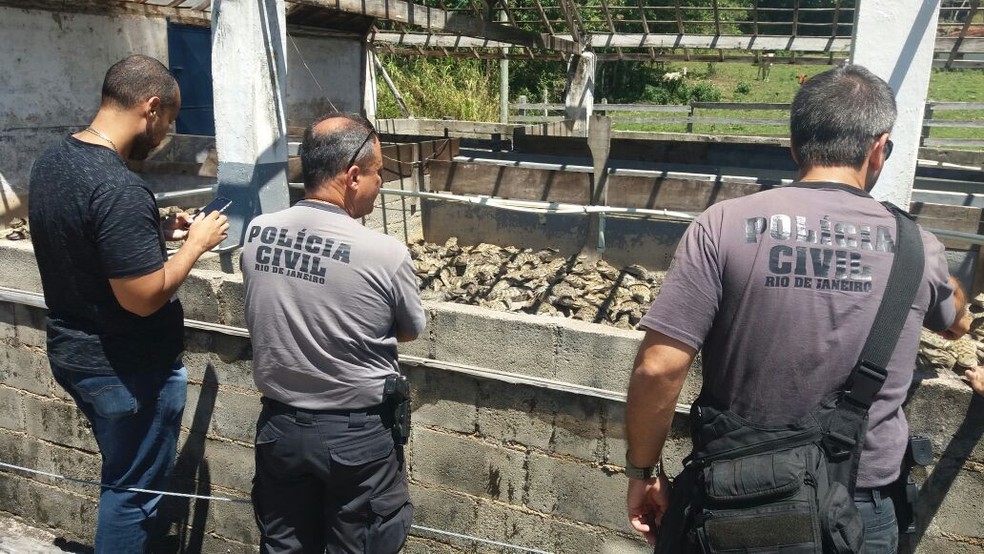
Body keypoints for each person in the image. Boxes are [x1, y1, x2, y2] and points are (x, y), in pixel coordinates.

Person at [624, 64, 970, 553]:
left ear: (794, 145)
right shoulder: (918, 247)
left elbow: (660, 368)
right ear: (879, 148)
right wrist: (956, 303)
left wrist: (643, 471)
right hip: (860, 503)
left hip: (736, 495)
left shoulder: (722, 224)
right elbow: (955, 318)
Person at [27, 55, 228, 552]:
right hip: (127, 370)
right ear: (151, 108)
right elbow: (142, 298)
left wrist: (151, 231)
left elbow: (83, 234)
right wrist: (194, 246)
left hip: (74, 353)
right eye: (168, 122)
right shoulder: (119, 187)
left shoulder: (53, 160)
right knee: (133, 494)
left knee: (122, 474)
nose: (164, 136)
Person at [241, 113, 426, 553]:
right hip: (356, 440)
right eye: (379, 172)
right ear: (353, 176)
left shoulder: (258, 232)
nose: (381, 182)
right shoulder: (385, 253)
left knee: (284, 545)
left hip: (280, 430)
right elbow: (409, 330)